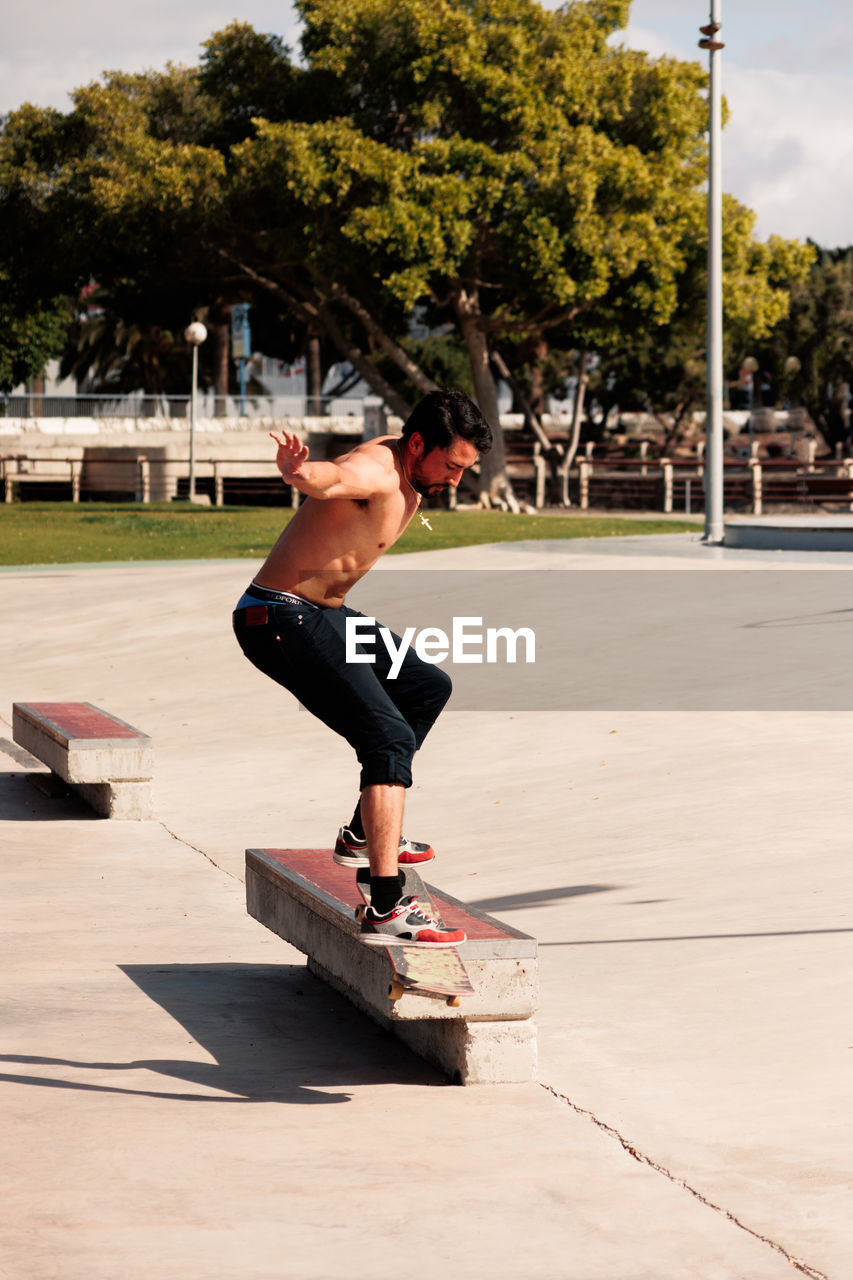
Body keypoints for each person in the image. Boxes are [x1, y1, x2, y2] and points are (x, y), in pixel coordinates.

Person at [233, 389, 492, 947]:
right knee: (388, 736)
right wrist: (299, 473)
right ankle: (384, 903)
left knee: (426, 687)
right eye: (450, 466)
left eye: (465, 471)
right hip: (276, 618)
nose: (454, 481)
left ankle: (360, 833)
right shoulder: (377, 468)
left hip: (320, 615)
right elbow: (333, 478)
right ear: (418, 444)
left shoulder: (410, 468)